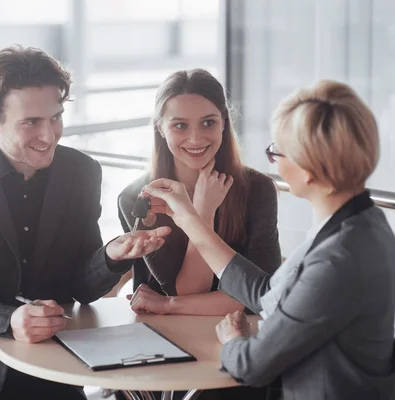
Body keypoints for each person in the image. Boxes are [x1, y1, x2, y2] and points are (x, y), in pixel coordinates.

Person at [0, 45, 170, 400]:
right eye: (31, 122)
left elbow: (80, 287)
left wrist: (110, 256)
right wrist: (10, 319)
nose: (49, 135)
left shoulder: (81, 172)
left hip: (49, 360)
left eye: (56, 118)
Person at [140, 80, 395, 399]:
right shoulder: (361, 222)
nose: (275, 163)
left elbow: (253, 365)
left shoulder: (337, 260)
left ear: (307, 170)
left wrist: (233, 340)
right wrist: (194, 220)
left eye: (276, 152)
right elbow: (270, 293)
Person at [117, 69, 281, 399]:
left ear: (224, 123)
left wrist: (167, 304)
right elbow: (191, 288)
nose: (196, 139)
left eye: (208, 123)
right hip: (162, 354)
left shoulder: (257, 189)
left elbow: (257, 297)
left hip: (236, 351)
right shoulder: (140, 196)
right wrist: (202, 211)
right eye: (180, 125)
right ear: (160, 128)